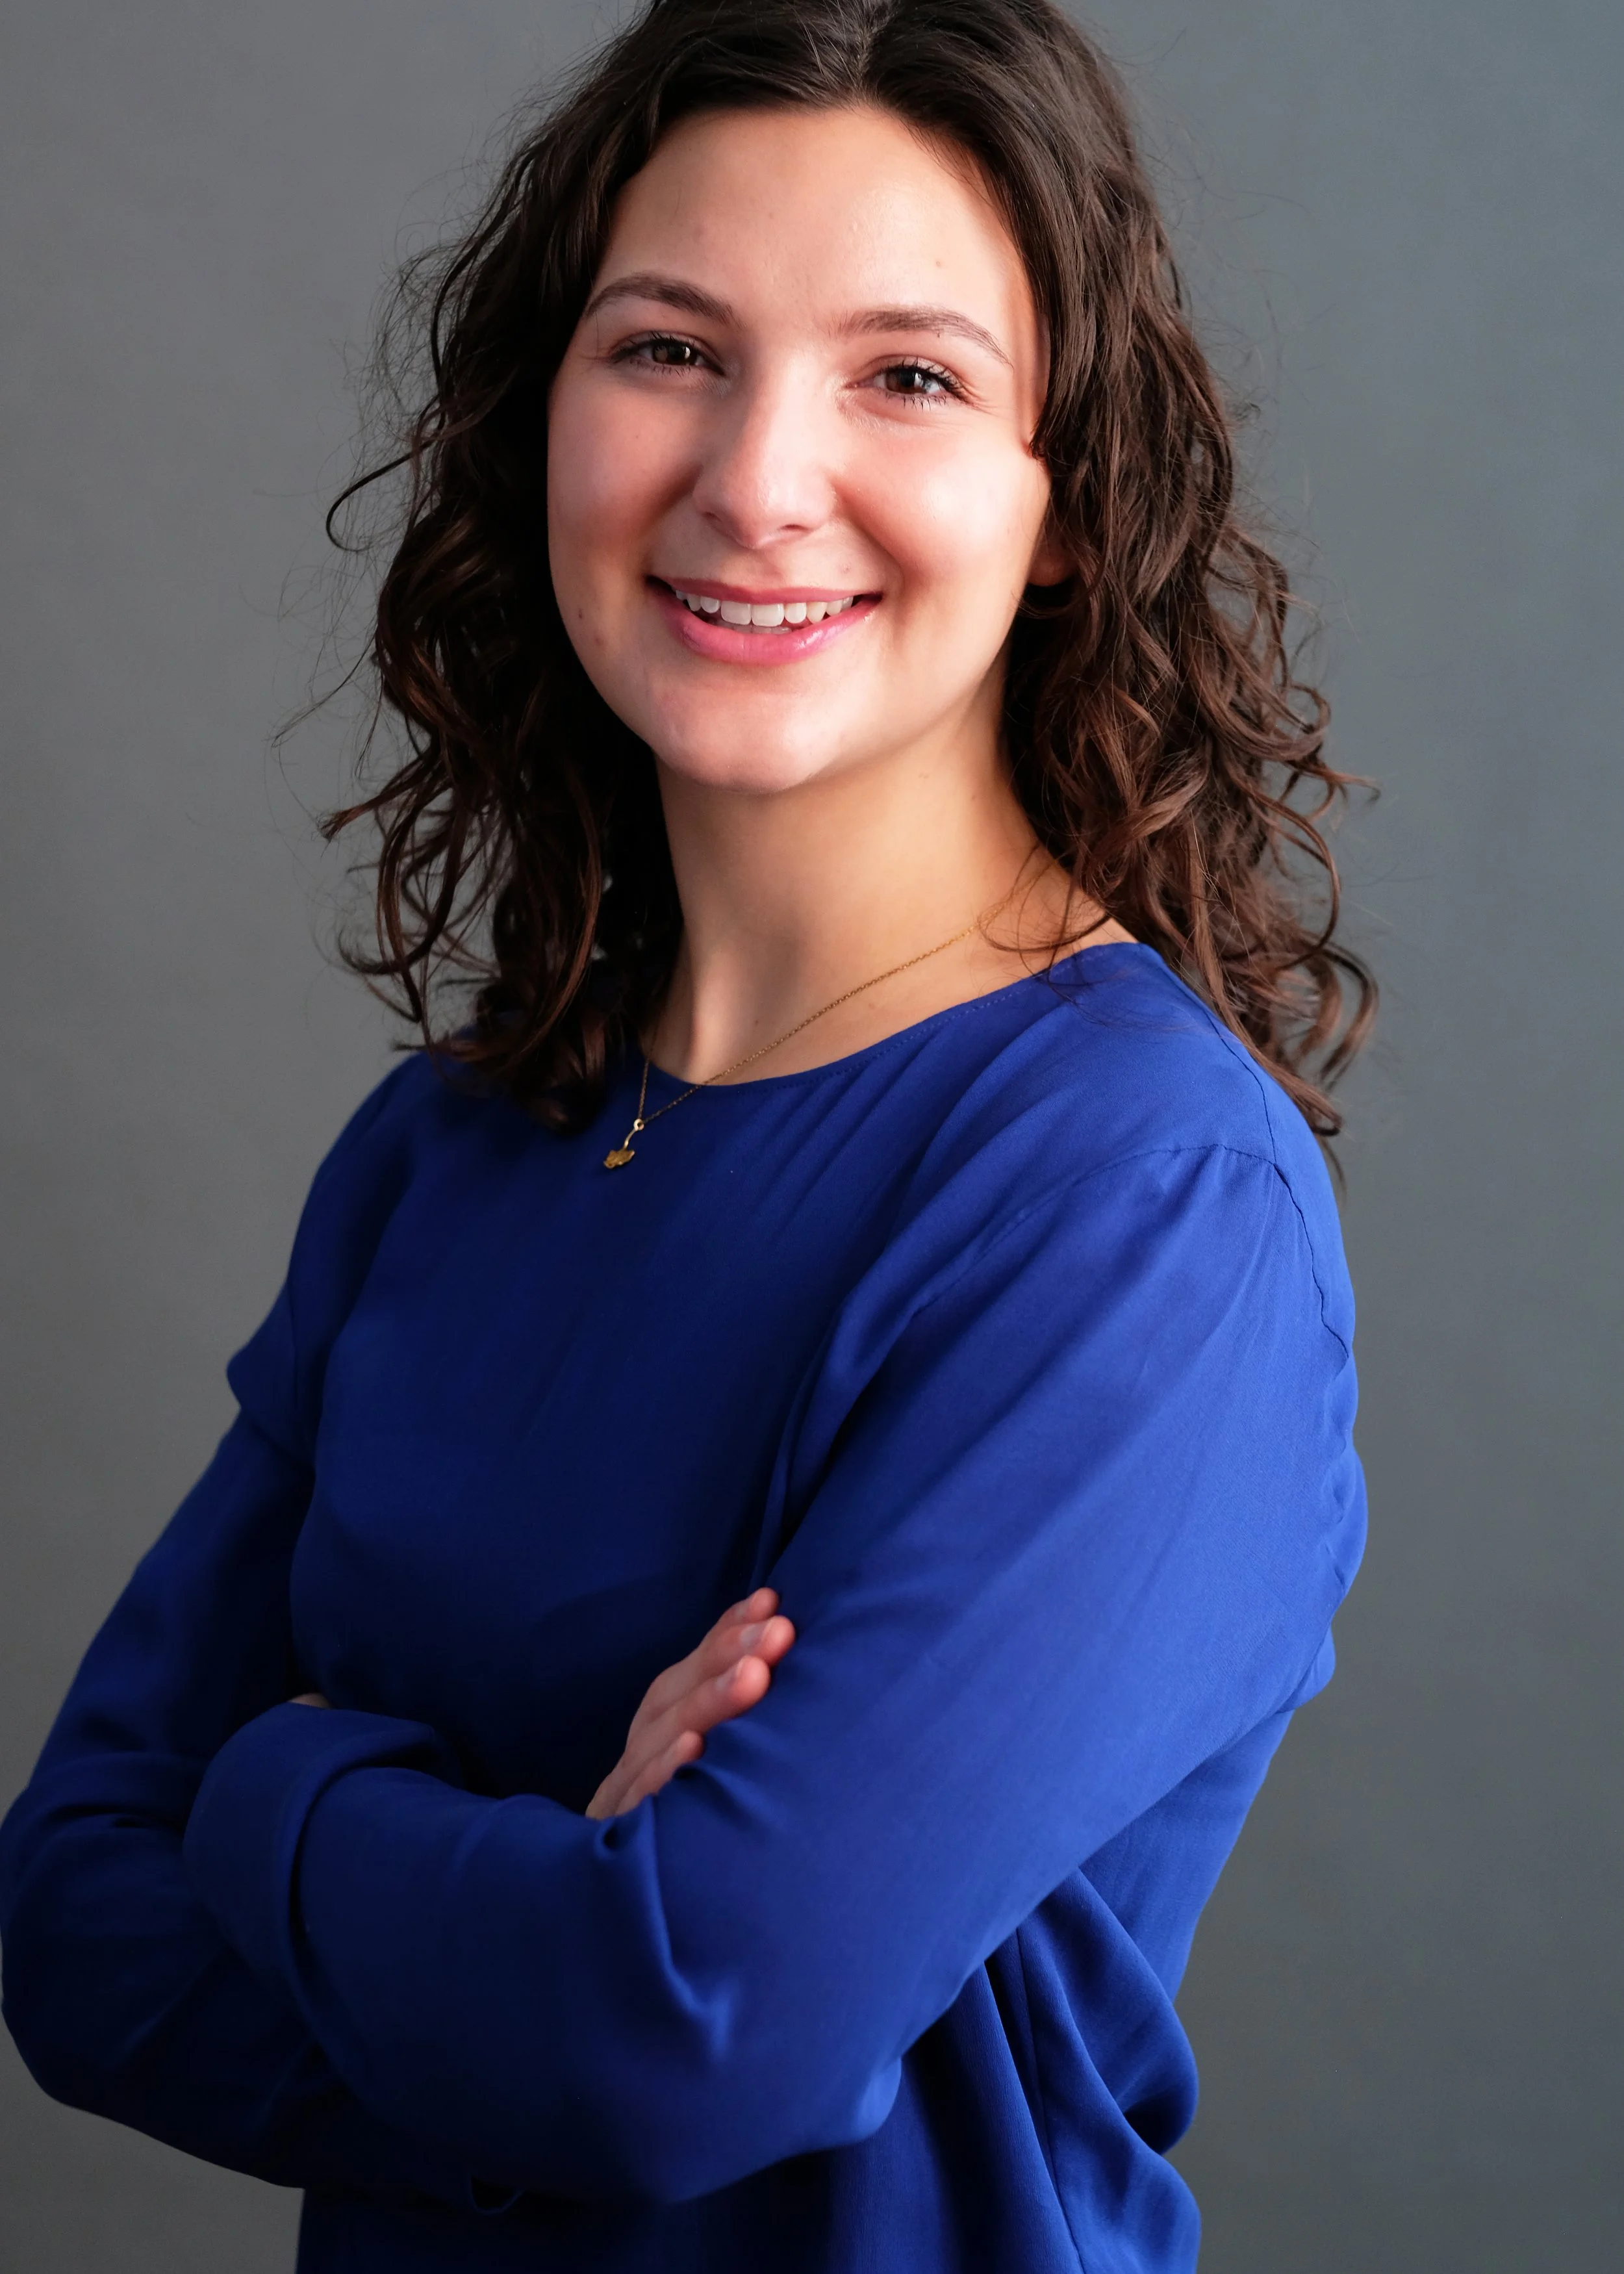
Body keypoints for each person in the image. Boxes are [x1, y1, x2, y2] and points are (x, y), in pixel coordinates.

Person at [0, 1, 1373, 2267]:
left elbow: (672, 2033)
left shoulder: (1141, 1203)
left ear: (1063, 508)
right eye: (667, 349)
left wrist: (283, 1779)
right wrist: (533, 1917)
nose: (754, 479)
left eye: (907, 375)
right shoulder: (442, 1150)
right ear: (543, 414)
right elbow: (66, 1917)